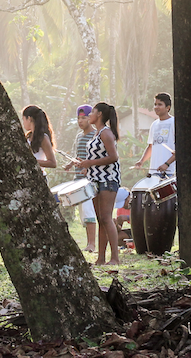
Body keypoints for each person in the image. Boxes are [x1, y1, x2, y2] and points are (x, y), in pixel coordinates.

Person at [77, 101, 120, 265]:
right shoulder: (96, 133)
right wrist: (85, 165)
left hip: (108, 179)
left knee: (107, 218)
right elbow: (96, 158)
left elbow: (113, 157)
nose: (89, 115)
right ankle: (101, 258)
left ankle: (115, 258)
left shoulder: (106, 133)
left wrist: (90, 164)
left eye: (92, 112)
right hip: (95, 179)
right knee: (100, 218)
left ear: (99, 114)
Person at [71, 104, 98, 252]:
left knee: (88, 211)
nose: (80, 121)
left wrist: (88, 169)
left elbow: (95, 157)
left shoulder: (95, 135)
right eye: (78, 118)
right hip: (78, 178)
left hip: (90, 179)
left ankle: (92, 244)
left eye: (84, 117)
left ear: (90, 118)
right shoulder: (79, 136)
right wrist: (71, 163)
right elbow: (78, 156)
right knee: (83, 211)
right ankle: (89, 243)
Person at [134, 93, 175, 175]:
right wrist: (141, 161)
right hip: (154, 171)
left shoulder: (174, 122)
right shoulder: (154, 124)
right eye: (155, 104)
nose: (156, 107)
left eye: (160, 104)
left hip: (169, 172)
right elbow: (150, 146)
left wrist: (166, 164)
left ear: (168, 107)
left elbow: (180, 150)